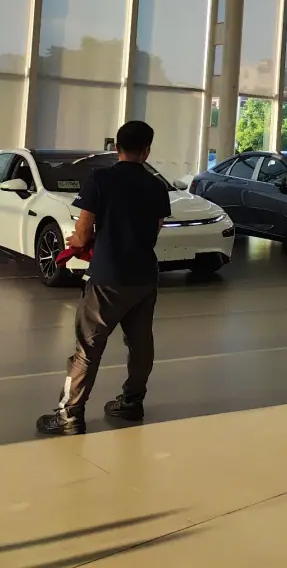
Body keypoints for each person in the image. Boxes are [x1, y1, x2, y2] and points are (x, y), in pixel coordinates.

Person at [36, 121, 172, 436]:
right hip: (144, 277)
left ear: (116, 148)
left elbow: (83, 232)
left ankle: (69, 415)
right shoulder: (156, 186)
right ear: (147, 150)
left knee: (88, 347)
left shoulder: (100, 179)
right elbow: (155, 228)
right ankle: (132, 403)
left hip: (108, 277)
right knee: (140, 343)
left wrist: (77, 241)